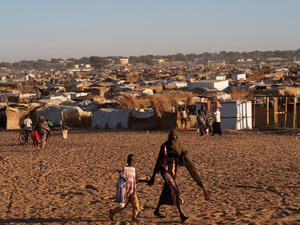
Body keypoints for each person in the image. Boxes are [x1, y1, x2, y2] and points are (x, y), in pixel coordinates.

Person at [148, 130, 210, 223]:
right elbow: (159, 161)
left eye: (174, 140)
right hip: (165, 171)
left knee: (166, 190)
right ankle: (182, 215)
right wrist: (153, 176)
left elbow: (180, 159)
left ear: (176, 140)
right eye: (170, 139)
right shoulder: (164, 147)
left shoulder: (178, 146)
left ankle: (157, 210)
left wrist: (183, 155)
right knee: (175, 189)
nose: (172, 142)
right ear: (168, 138)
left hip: (173, 171)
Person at [109, 154, 141, 223]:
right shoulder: (125, 169)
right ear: (127, 161)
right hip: (126, 192)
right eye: (129, 160)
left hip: (133, 191)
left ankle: (134, 217)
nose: (131, 161)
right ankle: (112, 212)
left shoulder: (134, 170)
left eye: (132, 160)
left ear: (135, 161)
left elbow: (136, 179)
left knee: (136, 206)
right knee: (122, 207)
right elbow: (122, 180)